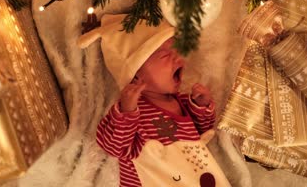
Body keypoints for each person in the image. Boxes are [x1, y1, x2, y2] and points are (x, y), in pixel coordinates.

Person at [78, 14, 231, 187]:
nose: (178, 57)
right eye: (165, 55)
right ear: (136, 73)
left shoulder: (182, 102)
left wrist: (201, 107)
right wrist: (127, 111)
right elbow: (115, 148)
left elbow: (199, 134)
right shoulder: (132, 110)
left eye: (178, 51)